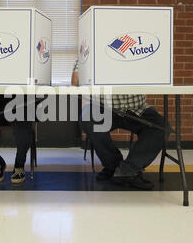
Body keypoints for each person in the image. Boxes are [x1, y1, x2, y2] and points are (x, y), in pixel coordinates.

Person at [71, 60, 172, 190]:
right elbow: (75, 83)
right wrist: (85, 62)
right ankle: (113, 166)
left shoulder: (138, 48)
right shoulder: (92, 50)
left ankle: (128, 170)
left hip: (137, 108)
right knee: (87, 118)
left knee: (161, 127)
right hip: (103, 107)